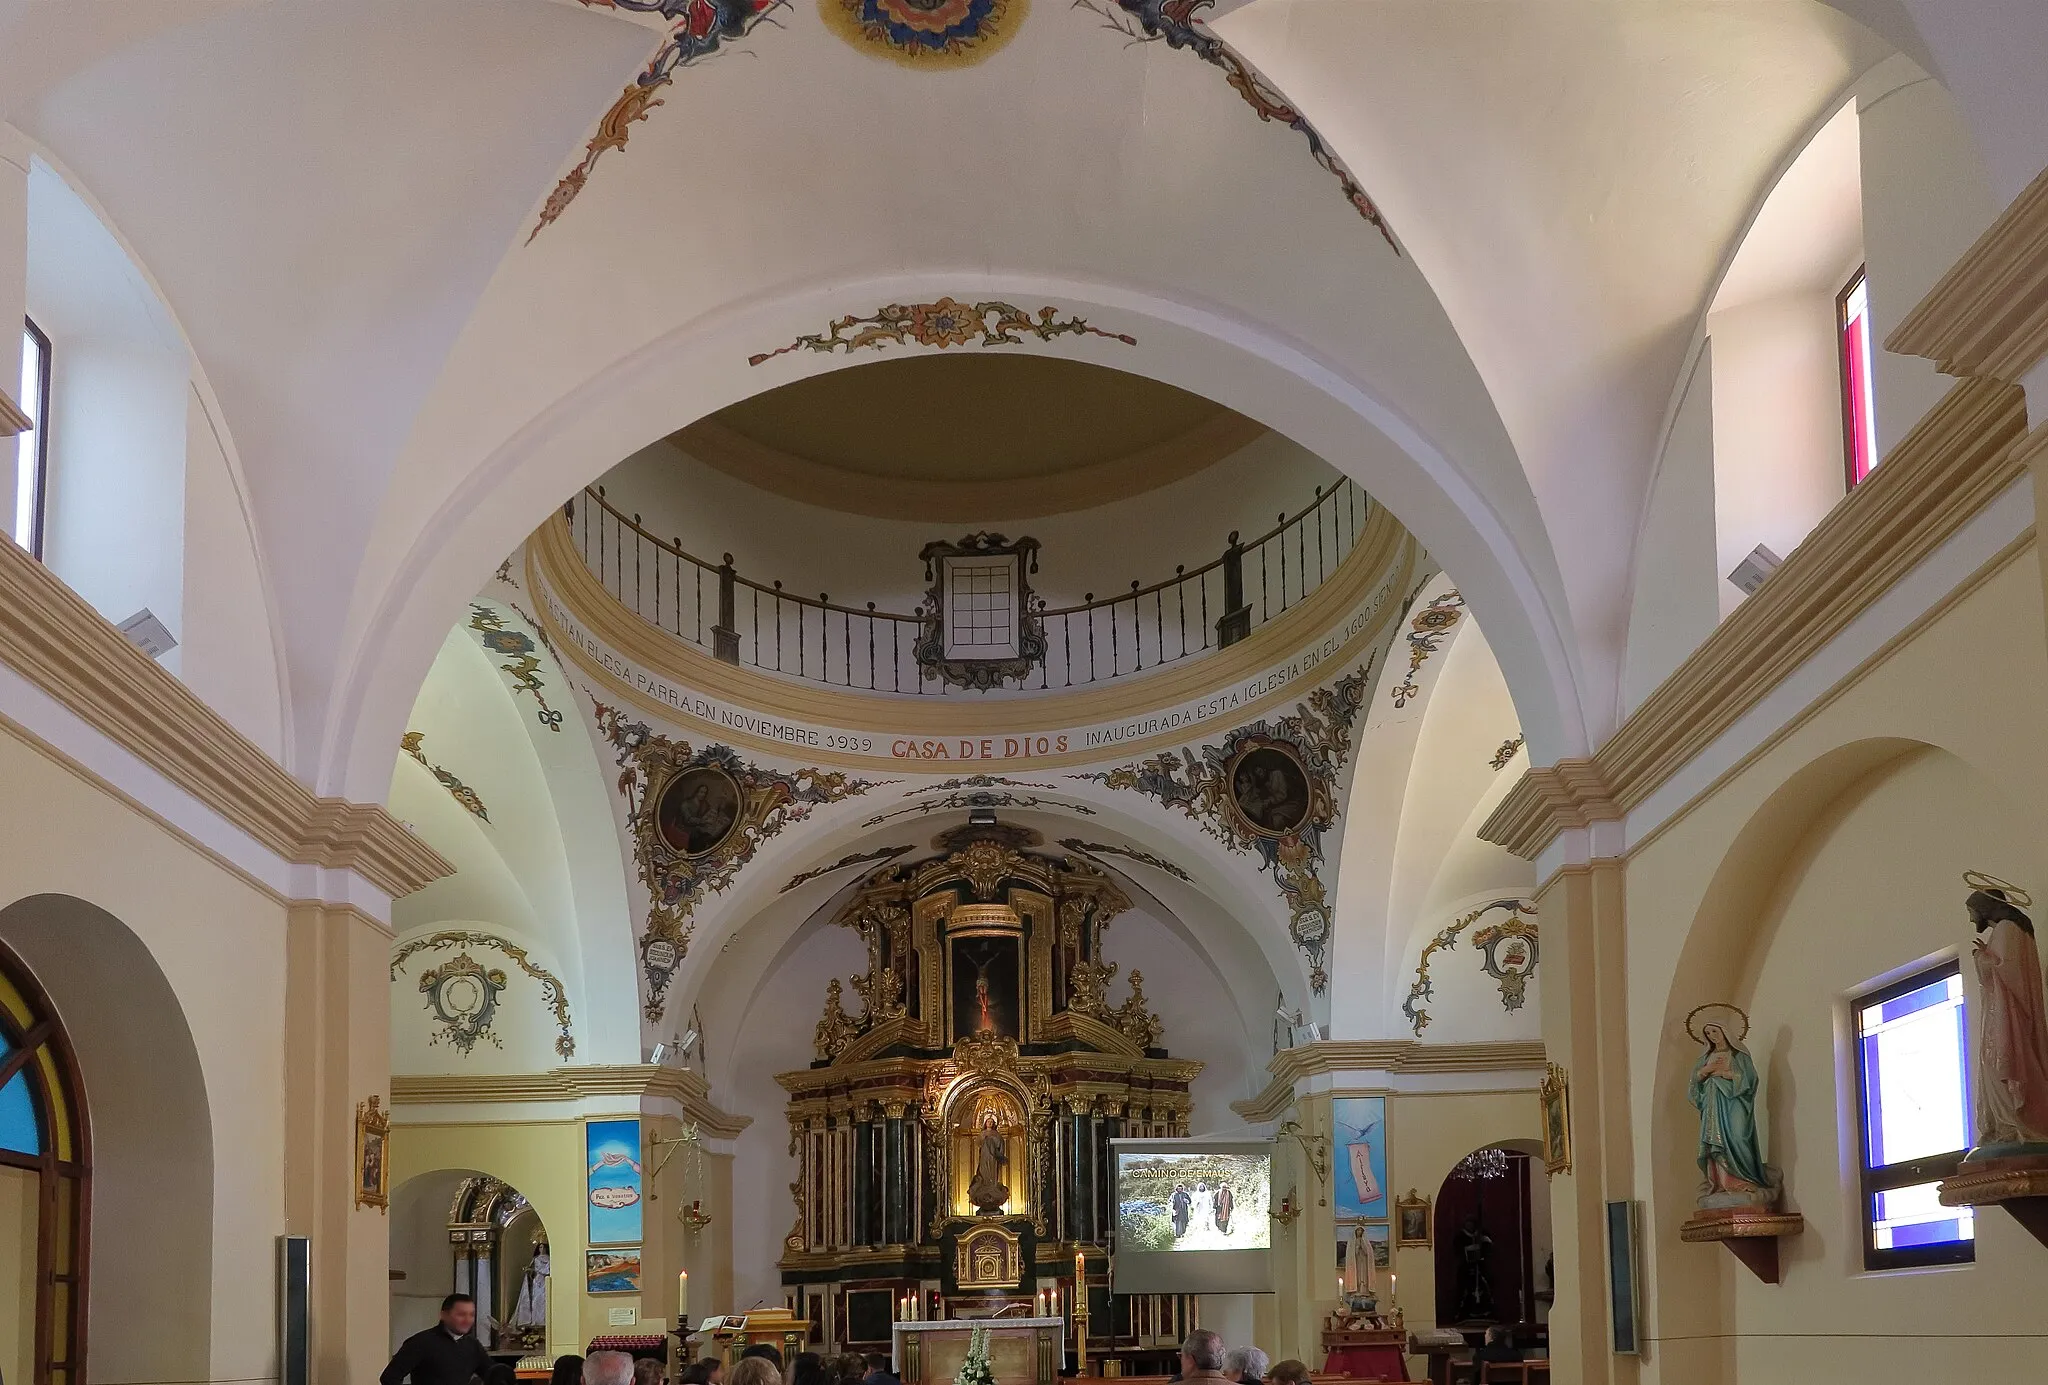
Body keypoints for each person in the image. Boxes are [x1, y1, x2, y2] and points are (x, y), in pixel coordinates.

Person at [1969, 883, 2048, 1148]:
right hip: (2005, 1009)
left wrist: (1982, 958)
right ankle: (2006, 1127)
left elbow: (2006, 969)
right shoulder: (2014, 928)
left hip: (2007, 1012)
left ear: (1985, 909)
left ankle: (2011, 1126)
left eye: (1973, 911)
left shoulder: (2006, 928)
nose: (1972, 918)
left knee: (1999, 1063)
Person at [1688, 1019, 1773, 1204]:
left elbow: (1750, 1080)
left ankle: (1746, 1179)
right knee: (1716, 1145)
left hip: (1735, 1104)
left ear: (1725, 1031)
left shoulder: (1739, 1056)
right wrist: (1706, 1071)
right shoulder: (1704, 1059)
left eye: (1714, 1031)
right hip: (1713, 1107)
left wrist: (1724, 1074)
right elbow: (1694, 1085)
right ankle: (1721, 1184)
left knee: (1738, 1136)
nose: (1712, 1036)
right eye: (1708, 1033)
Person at [381, 1294, 493, 1385]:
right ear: (444, 1315)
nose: (467, 1320)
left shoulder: (472, 1345)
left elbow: (493, 1373)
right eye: (461, 1314)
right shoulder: (421, 1342)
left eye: (471, 1315)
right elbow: (390, 1377)